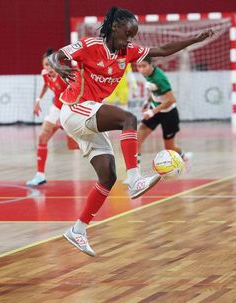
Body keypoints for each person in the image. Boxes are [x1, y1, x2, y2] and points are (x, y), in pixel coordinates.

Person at [48, 6, 213, 256]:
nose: (131, 38)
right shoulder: (90, 44)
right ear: (115, 27)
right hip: (75, 109)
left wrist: (194, 39)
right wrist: (57, 66)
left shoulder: (129, 51)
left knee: (108, 177)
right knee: (128, 118)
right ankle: (135, 179)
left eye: (134, 34)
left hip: (90, 115)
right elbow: (56, 56)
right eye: (128, 33)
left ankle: (78, 230)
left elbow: (162, 50)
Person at [136, 56, 192, 167]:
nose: (141, 69)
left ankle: (184, 157)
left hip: (169, 114)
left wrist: (152, 112)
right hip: (156, 110)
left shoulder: (159, 78)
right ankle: (135, 170)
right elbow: (153, 91)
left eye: (144, 66)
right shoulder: (147, 74)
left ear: (151, 65)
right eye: (138, 66)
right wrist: (147, 103)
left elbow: (171, 100)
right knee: (137, 138)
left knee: (170, 147)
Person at [26, 48, 69, 187]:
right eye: (46, 65)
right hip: (56, 107)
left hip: (71, 108)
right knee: (42, 137)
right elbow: (46, 84)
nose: (49, 68)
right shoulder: (44, 74)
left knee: (78, 146)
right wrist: (38, 100)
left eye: (51, 64)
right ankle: (40, 175)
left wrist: (63, 117)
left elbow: (77, 94)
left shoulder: (65, 76)